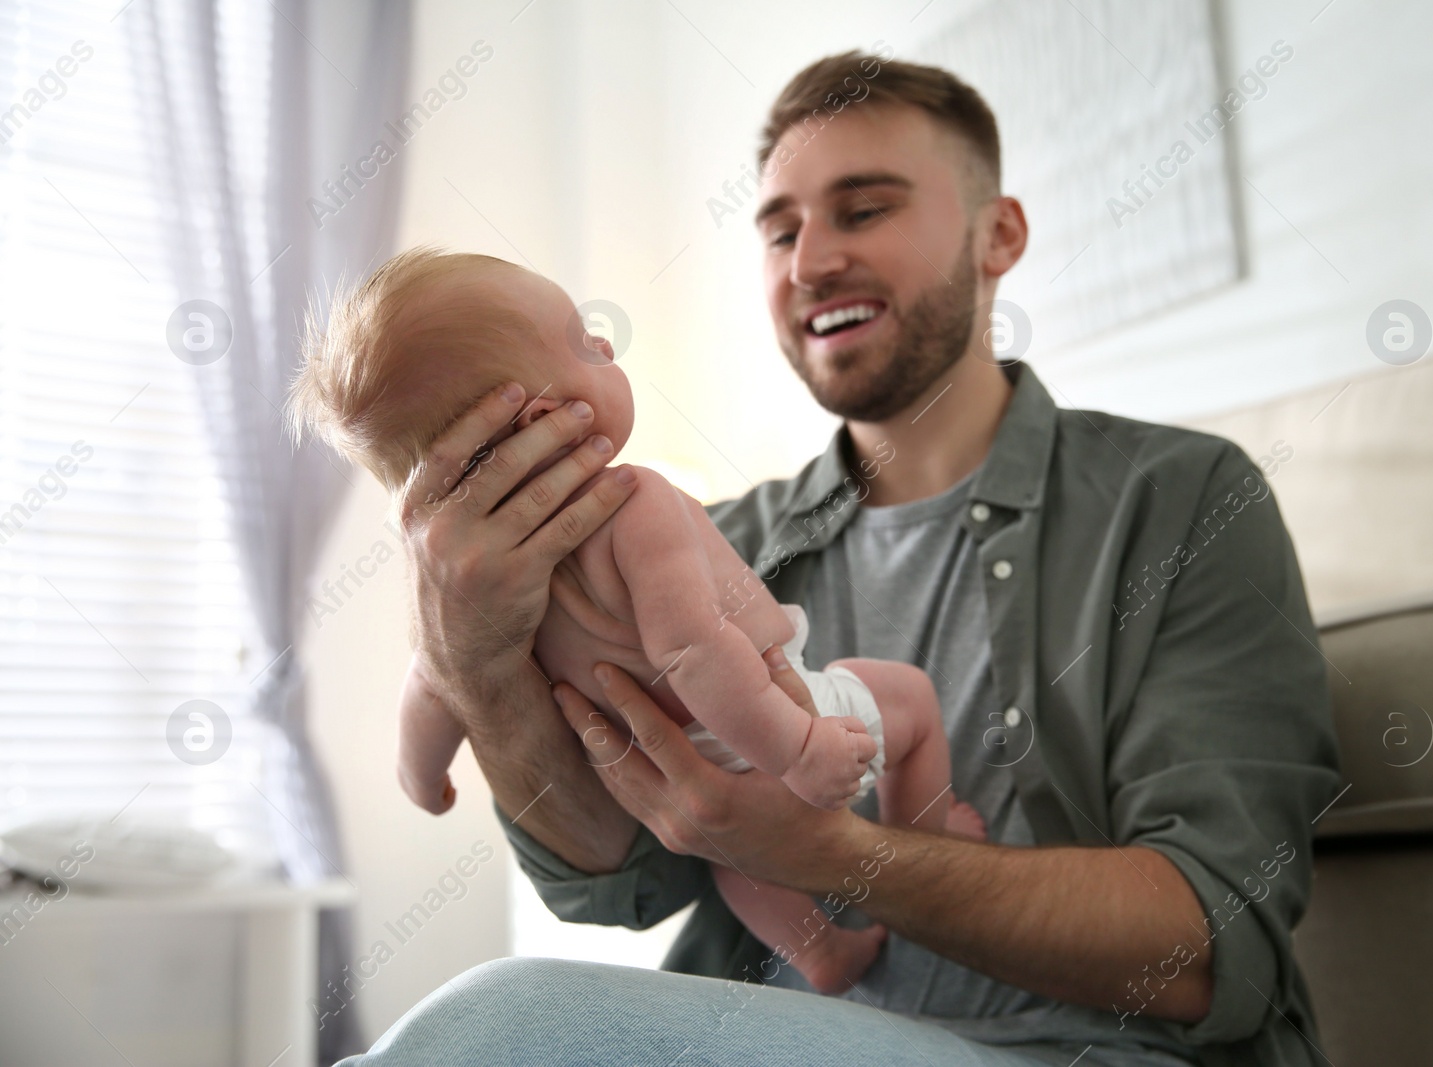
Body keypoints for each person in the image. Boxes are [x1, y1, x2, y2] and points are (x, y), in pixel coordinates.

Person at [338, 51, 1341, 1067]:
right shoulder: (719, 537)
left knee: (494, 1025)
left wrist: (825, 854)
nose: (809, 262)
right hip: (769, 1034)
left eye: (862, 211)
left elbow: (1207, 946)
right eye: (779, 229)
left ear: (998, 236)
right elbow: (609, 878)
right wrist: (470, 649)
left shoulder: (1178, 500)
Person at [289, 247, 981, 993]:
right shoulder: (636, 502)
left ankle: (820, 954)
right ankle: (922, 837)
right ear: (544, 420)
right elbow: (694, 648)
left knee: (733, 853)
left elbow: (432, 688)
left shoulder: (487, 599)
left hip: (664, 765)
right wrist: (801, 743)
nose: (607, 345)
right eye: (585, 343)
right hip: (756, 716)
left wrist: (422, 778)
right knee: (905, 696)